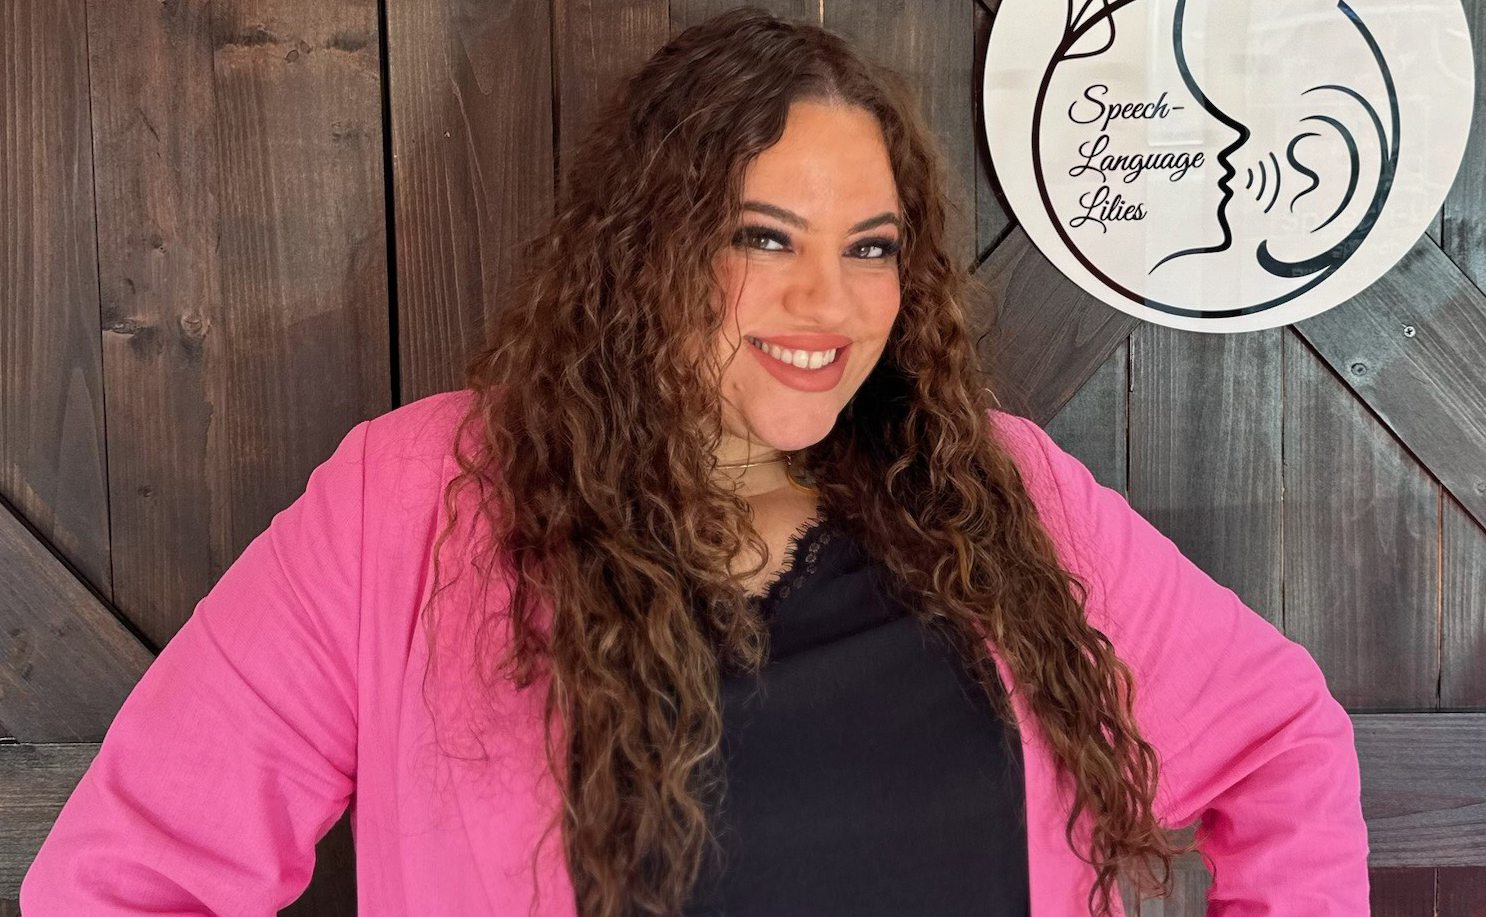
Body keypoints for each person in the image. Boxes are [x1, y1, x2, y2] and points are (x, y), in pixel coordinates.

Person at [20, 7, 1368, 916]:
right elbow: (133, 874)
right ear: (643, 246)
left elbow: (1277, 742)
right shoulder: (414, 504)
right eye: (761, 237)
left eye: (871, 247)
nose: (826, 306)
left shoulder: (999, 497)